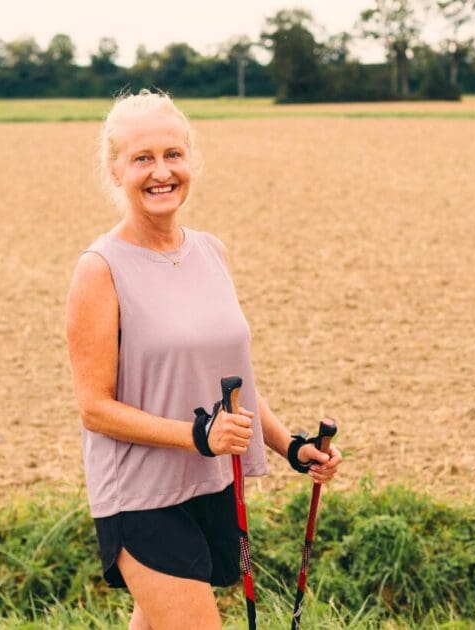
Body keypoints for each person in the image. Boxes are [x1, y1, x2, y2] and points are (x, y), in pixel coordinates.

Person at [65, 90, 343, 630]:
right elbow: (94, 409)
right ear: (115, 170)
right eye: (142, 158)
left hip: (211, 482)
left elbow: (234, 390)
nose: (160, 171)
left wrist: (292, 446)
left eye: (173, 154)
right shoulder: (101, 269)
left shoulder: (211, 252)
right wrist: (199, 436)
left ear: (190, 160)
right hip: (141, 497)